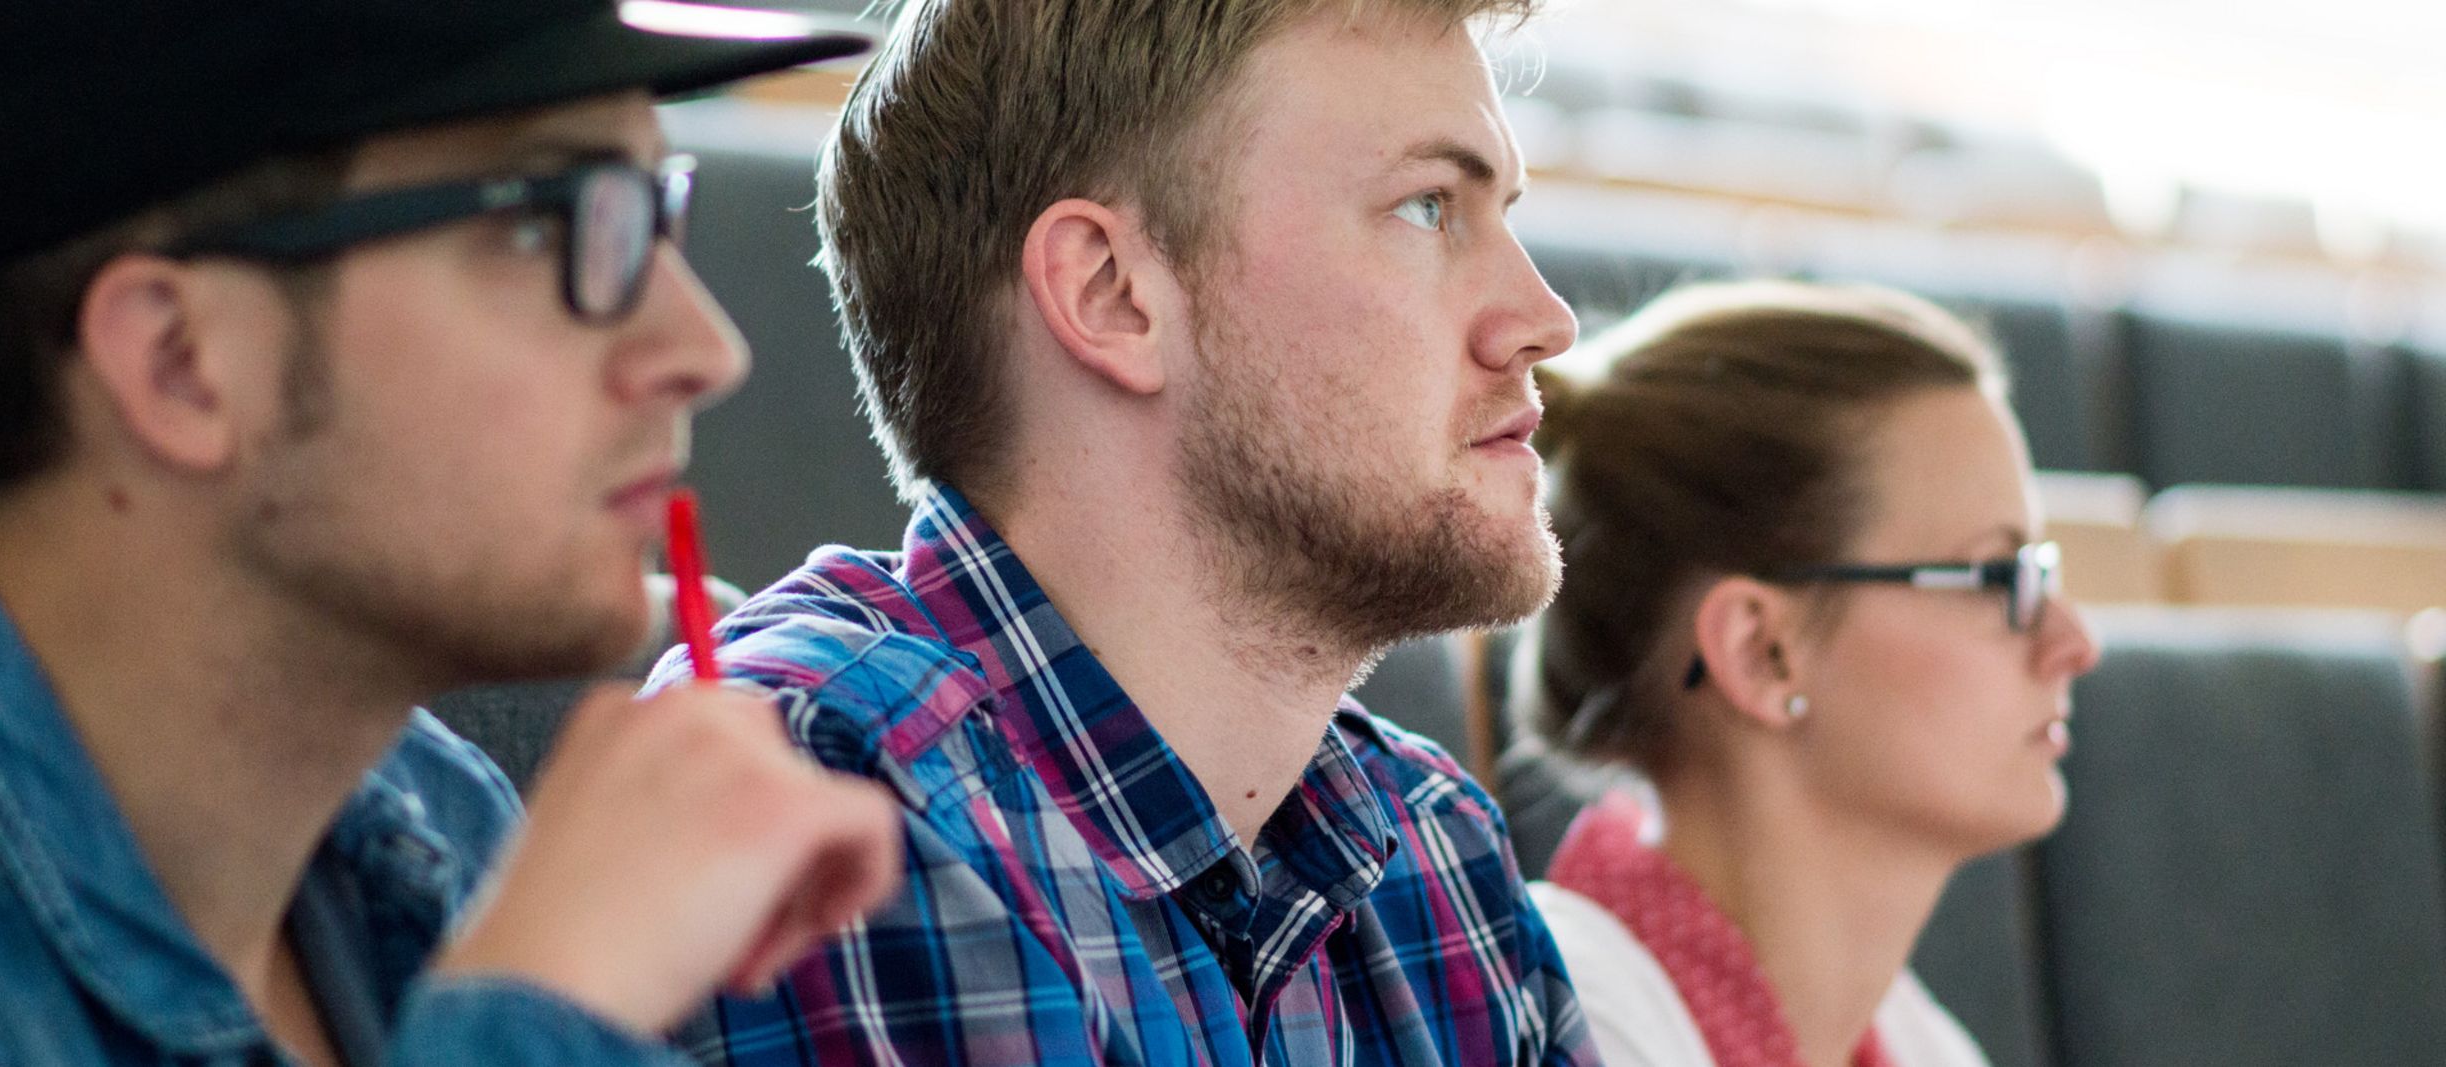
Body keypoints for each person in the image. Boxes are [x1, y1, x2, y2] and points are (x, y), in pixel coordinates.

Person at [0, 1, 903, 1063]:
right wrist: (545, 1008)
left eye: (655, 210)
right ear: (180, 361)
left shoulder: (430, 820)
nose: (705, 348)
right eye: (553, 219)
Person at [657, 0, 1601, 1064]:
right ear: (1111, 293)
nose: (1544, 317)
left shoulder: (1439, 859)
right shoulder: (838, 790)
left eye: (1505, 211)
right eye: (1429, 207)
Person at [1511, 281, 2104, 1067]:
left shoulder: (1918, 1043)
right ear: (1763, 651)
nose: (2074, 641)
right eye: (1999, 575)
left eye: (2040, 570)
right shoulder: (1565, 1030)